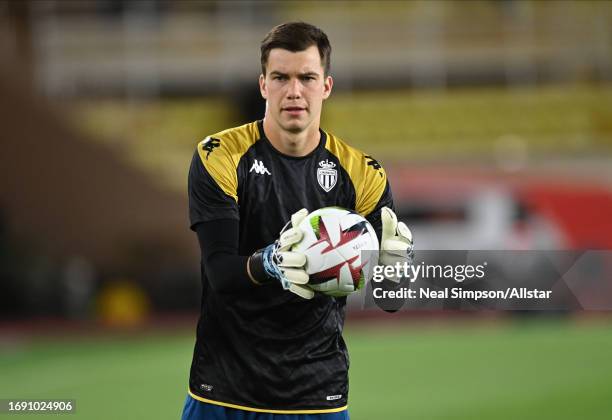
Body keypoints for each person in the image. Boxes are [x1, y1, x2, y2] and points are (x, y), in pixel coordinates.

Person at [182, 22, 412, 420]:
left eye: (307, 77)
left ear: (326, 86)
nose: (294, 91)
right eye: (280, 77)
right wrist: (269, 262)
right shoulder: (220, 156)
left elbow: (389, 300)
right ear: (263, 86)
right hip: (224, 390)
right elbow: (219, 271)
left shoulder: (362, 174)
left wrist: (394, 274)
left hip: (317, 391)